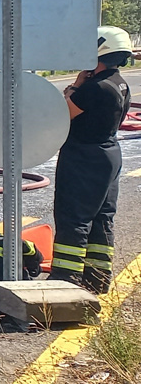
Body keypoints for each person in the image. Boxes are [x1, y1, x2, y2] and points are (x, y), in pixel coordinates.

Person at [48, 26, 131, 294]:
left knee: (74, 216)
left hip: (84, 156)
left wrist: (75, 86)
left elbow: (61, 116)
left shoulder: (95, 88)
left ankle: (65, 279)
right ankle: (96, 279)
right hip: (108, 154)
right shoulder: (119, 82)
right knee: (102, 217)